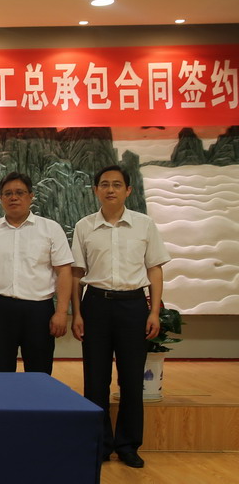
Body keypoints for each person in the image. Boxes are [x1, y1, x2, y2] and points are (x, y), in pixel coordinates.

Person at [71, 165, 170, 469]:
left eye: (117, 184)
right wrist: (77, 313)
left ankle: (128, 445)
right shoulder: (84, 226)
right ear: (95, 190)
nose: (110, 189)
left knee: (131, 379)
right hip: (96, 305)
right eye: (104, 184)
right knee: (95, 380)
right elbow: (76, 274)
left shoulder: (144, 225)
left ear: (128, 190)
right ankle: (100, 444)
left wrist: (154, 311)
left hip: (133, 306)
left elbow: (154, 268)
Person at [0, 172, 73, 375]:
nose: (13, 198)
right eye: (7, 193)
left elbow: (64, 272)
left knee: (39, 372)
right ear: (1, 198)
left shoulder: (50, 229)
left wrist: (61, 312)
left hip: (38, 311)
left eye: (19, 192)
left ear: (31, 196)